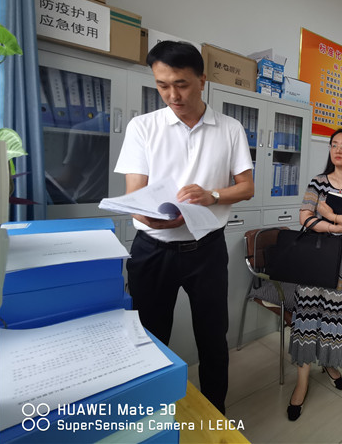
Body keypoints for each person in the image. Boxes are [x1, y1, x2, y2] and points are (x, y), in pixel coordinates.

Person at [114, 41, 254, 414]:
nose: (173, 95)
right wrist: (150, 215)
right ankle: (152, 419)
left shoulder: (230, 128)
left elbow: (246, 186)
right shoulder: (143, 127)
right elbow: (134, 193)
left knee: (213, 338)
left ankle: (215, 416)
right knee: (149, 338)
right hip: (153, 250)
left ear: (202, 80)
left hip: (206, 251)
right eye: (162, 85)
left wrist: (212, 195)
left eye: (181, 84)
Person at [287, 128, 342, 421]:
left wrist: (330, 215)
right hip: (316, 255)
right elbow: (304, 216)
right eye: (333, 144)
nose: (338, 150)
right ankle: (302, 381)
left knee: (337, 315)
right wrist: (337, 227)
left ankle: (328, 362)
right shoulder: (318, 182)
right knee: (307, 314)